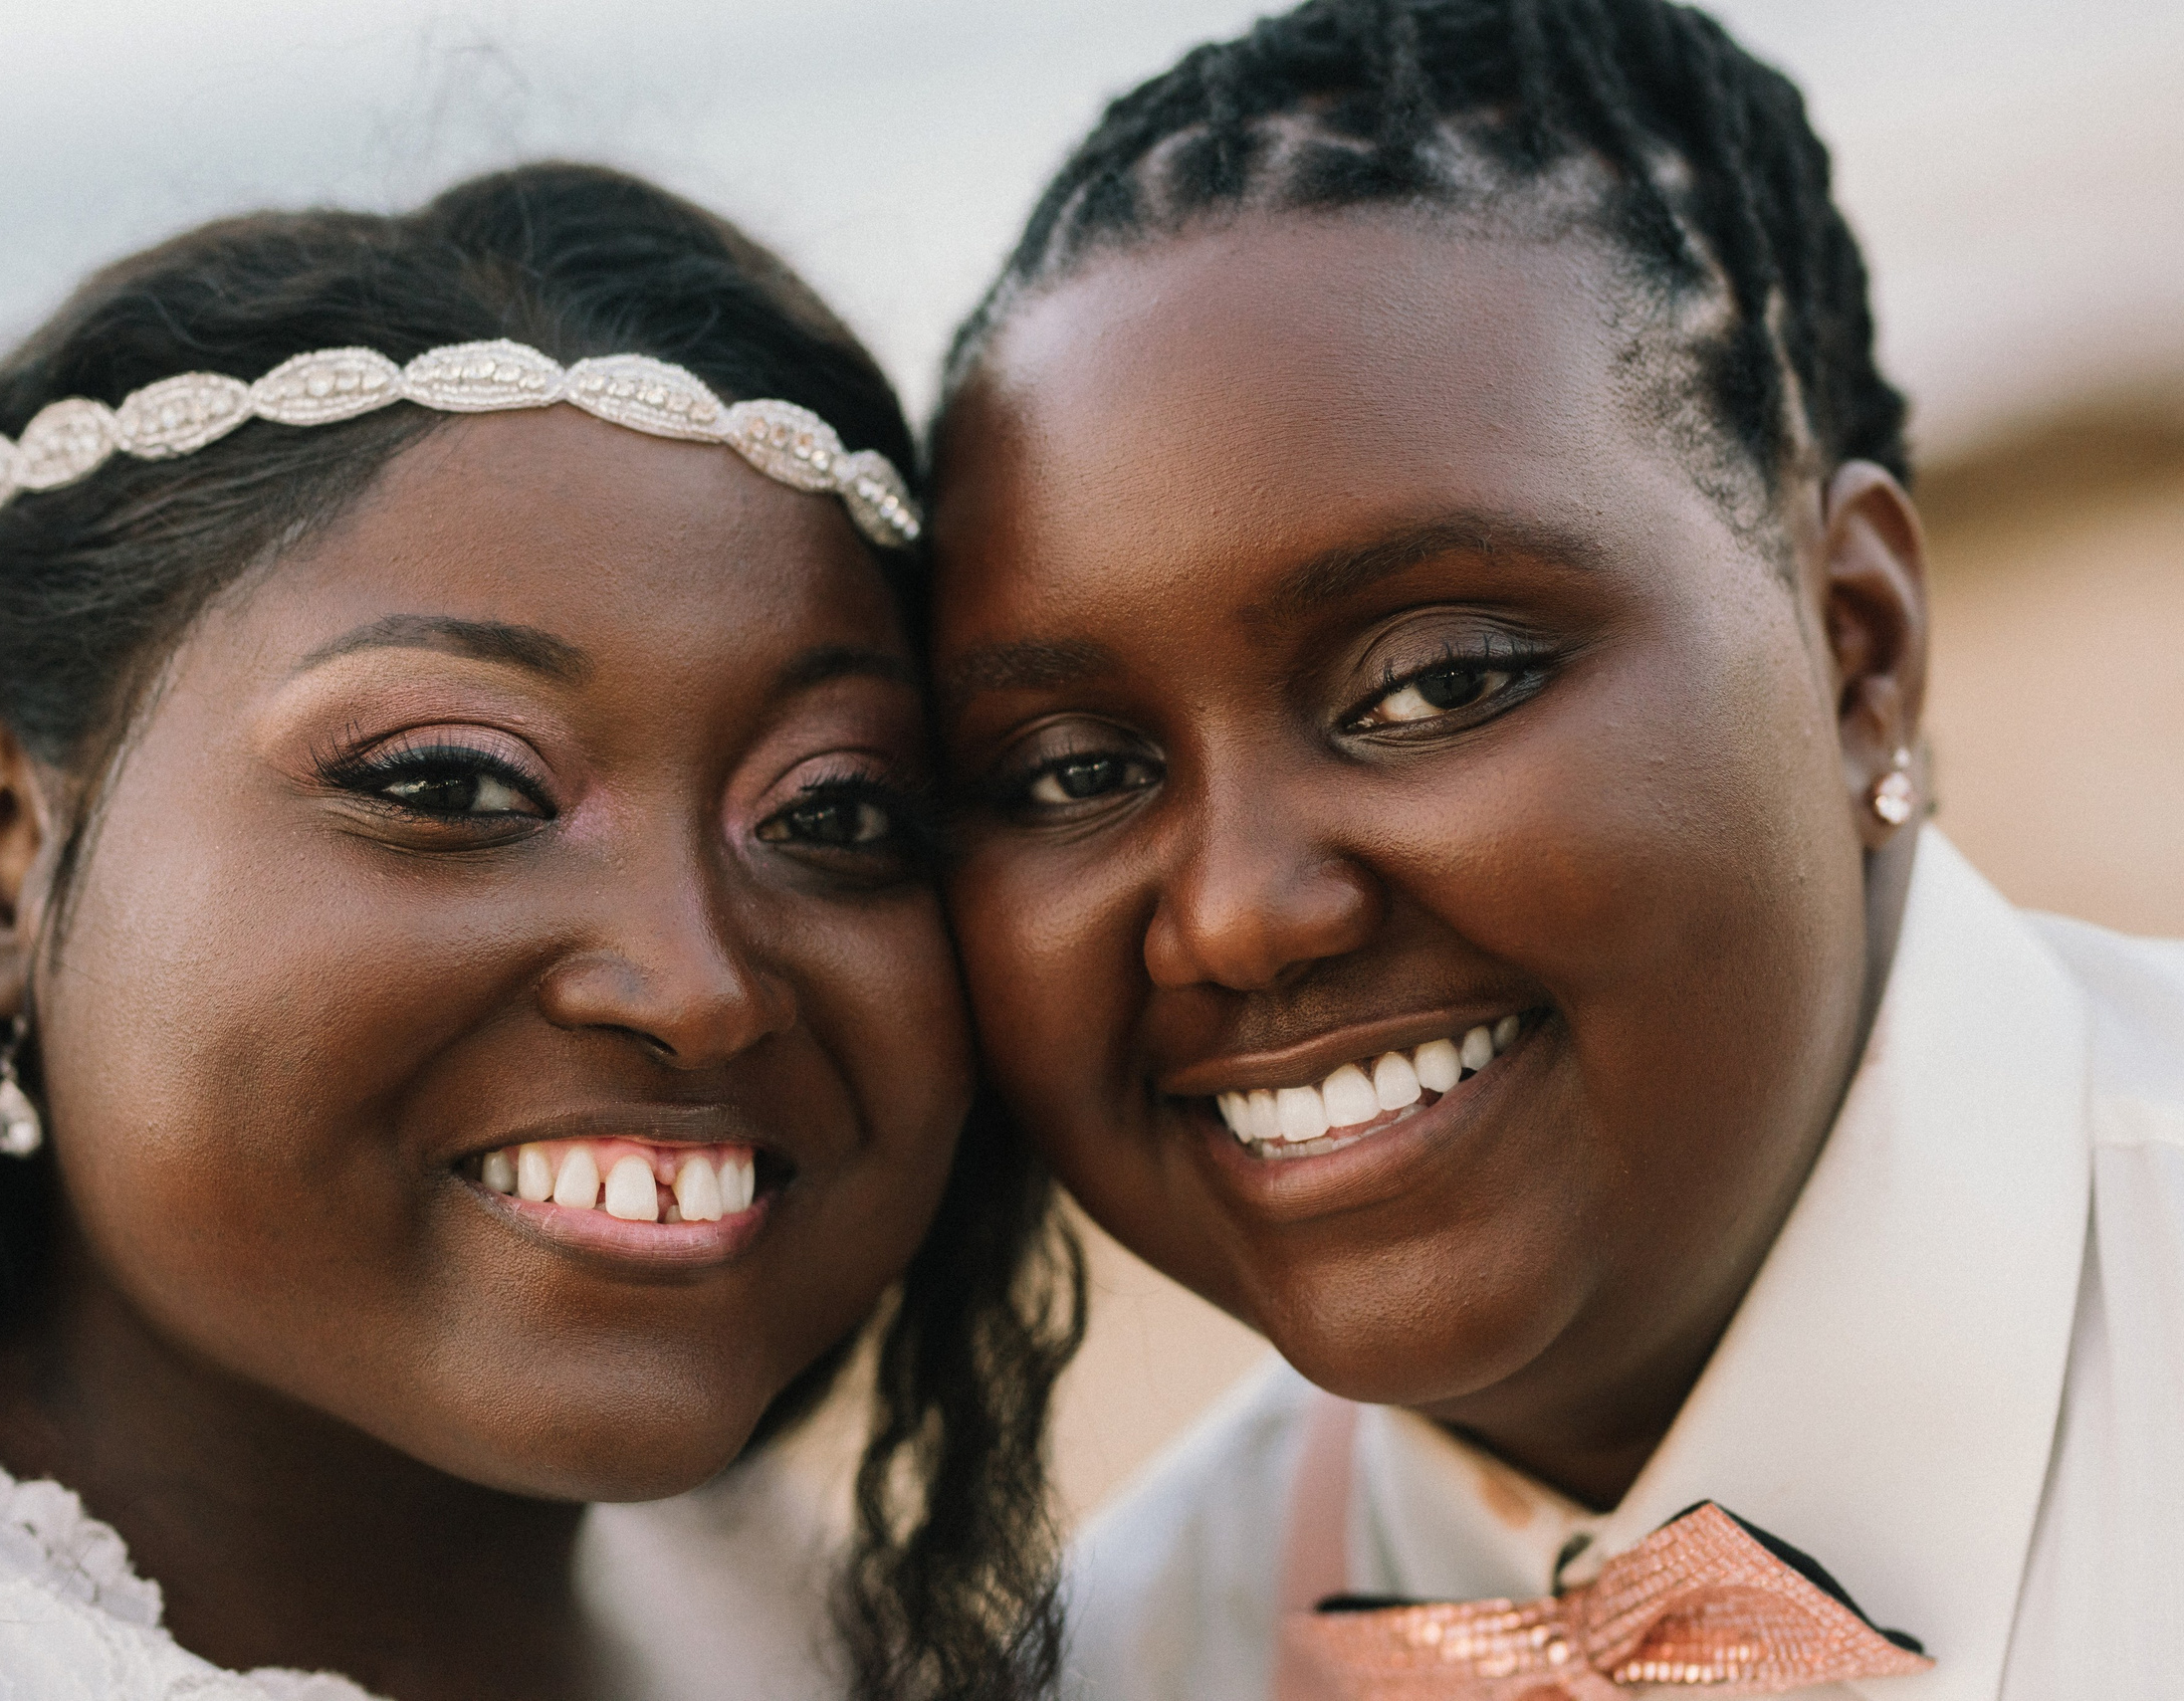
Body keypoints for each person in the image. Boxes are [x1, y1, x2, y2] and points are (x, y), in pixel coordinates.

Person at [0, 163, 1079, 1701]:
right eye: (454, 783)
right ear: (1, 858)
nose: (699, 983)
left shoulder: (759, 1598)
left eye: (837, 811)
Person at [926, 3, 2184, 1697]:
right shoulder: (1131, 1658)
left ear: (1856, 651)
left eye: (1438, 683)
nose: (1237, 914)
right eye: (1076, 772)